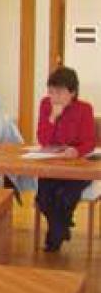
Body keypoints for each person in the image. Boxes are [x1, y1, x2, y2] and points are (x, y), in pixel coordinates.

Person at [35, 67, 96, 252]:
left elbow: (90, 142)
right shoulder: (46, 105)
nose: (54, 96)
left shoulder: (84, 109)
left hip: (78, 166)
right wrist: (53, 117)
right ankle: (61, 228)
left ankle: (55, 235)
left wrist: (76, 151)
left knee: (64, 197)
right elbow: (43, 140)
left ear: (72, 92)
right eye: (51, 91)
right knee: (43, 199)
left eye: (60, 92)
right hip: (53, 163)